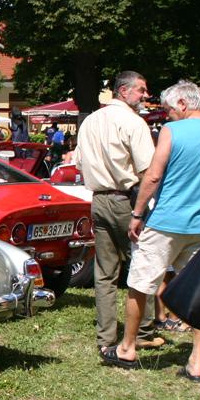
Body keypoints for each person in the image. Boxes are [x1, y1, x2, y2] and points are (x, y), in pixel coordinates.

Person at [101, 81, 200, 378]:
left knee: (140, 284)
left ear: (184, 105)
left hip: (165, 222)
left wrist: (137, 214)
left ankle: (126, 348)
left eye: (168, 109)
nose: (168, 115)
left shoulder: (171, 132)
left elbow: (153, 176)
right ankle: (197, 361)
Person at [76, 71, 162, 354]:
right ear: (123, 91)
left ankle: (106, 337)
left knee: (104, 272)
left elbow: (79, 163)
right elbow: (148, 172)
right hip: (126, 200)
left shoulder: (90, 121)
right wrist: (142, 209)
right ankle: (145, 330)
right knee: (142, 265)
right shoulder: (133, 123)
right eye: (141, 90)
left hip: (99, 199)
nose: (145, 95)